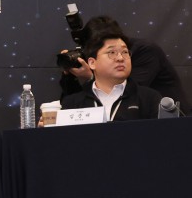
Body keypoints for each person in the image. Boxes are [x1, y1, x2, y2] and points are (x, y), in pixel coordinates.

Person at [60, 16, 190, 114]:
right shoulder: (94, 61)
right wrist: (69, 75)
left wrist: (91, 76)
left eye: (124, 52)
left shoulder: (146, 51)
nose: (120, 58)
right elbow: (72, 108)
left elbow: (125, 93)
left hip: (168, 118)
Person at [61, 32, 162, 121]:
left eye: (125, 52)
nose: (120, 58)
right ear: (92, 63)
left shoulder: (149, 98)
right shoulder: (72, 103)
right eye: (112, 52)